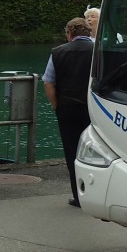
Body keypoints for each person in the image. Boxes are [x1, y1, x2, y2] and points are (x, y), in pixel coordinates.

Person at [43, 17, 94, 207]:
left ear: (69, 33)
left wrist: (57, 104)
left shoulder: (58, 52)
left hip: (67, 108)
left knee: (72, 151)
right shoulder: (99, 51)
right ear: (88, 32)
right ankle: (97, 193)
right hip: (94, 109)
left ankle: (78, 195)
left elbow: (48, 82)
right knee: (98, 151)